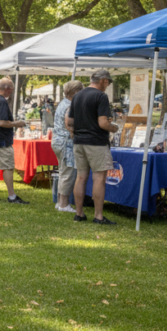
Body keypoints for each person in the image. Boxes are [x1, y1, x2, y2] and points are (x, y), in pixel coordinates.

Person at [68, 69, 119, 224]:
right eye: (108, 82)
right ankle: (98, 216)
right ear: (103, 80)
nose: (107, 85)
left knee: (81, 177)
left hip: (79, 141)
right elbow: (103, 123)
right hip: (96, 142)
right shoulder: (101, 96)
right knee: (99, 178)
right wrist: (114, 128)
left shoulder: (77, 96)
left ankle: (79, 214)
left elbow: (70, 122)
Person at [0, 77, 29, 204]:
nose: (12, 91)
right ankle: (12, 196)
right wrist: (17, 123)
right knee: (8, 167)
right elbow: (2, 122)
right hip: (1, 140)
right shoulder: (2, 102)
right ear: (7, 89)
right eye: (12, 88)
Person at [52, 80, 83, 213]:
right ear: (75, 92)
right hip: (66, 143)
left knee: (63, 171)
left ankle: (60, 202)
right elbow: (69, 123)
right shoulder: (70, 105)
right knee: (68, 173)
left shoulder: (63, 103)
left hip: (58, 141)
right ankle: (64, 204)